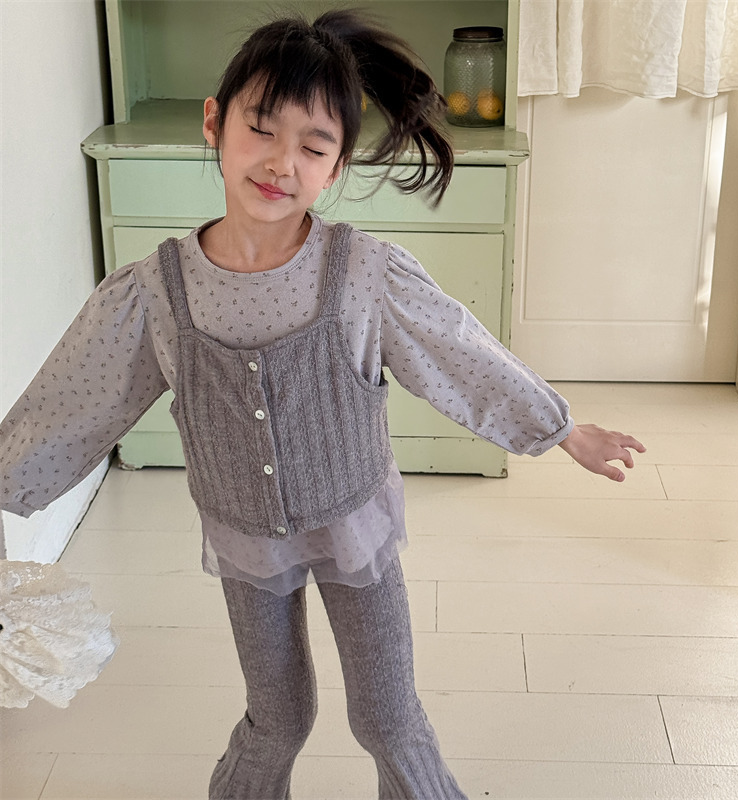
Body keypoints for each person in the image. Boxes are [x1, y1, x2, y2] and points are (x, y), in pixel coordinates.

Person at [0, 9, 645, 799]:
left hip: (354, 526)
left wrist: (560, 428)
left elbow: (459, 351)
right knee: (279, 717)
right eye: (261, 129)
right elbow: (74, 397)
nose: (282, 162)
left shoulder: (365, 273)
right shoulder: (154, 293)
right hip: (245, 541)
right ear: (215, 123)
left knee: (387, 717)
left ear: (336, 166)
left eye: (313, 146)